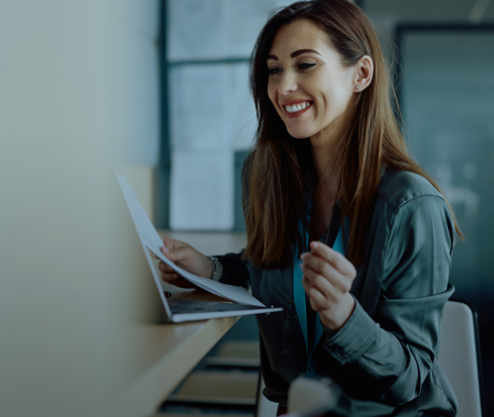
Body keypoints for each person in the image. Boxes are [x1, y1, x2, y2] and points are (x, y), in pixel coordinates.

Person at [158, 1, 462, 415]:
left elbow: (409, 379)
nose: (283, 87)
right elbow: (277, 269)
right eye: (274, 69)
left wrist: (344, 314)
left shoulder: (411, 205)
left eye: (305, 65)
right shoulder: (276, 180)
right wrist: (211, 270)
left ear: (361, 74)